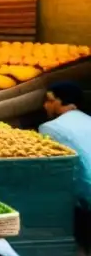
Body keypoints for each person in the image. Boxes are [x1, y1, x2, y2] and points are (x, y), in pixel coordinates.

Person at [39, 82, 91, 245]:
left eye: (49, 100)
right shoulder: (88, 120)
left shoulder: (50, 128)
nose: (45, 105)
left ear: (62, 102)